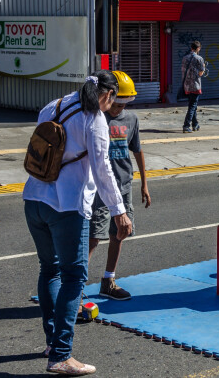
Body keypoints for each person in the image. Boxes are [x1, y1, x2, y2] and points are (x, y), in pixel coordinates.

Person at [23, 70, 132, 376]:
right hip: (67, 207)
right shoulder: (93, 118)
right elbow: (102, 168)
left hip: (34, 200)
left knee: (50, 270)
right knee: (74, 278)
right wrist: (118, 210)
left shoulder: (53, 105)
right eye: (114, 100)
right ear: (107, 96)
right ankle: (61, 355)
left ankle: (51, 342)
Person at [87, 71, 151, 301]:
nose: (119, 108)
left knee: (119, 234)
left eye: (125, 103)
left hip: (124, 185)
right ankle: (76, 286)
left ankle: (108, 280)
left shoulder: (131, 120)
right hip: (101, 188)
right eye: (117, 102)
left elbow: (137, 150)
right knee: (94, 236)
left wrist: (144, 183)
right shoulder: (95, 117)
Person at [181, 41, 205, 133]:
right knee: (192, 106)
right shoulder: (199, 58)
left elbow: (183, 71)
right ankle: (186, 125)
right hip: (195, 85)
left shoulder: (184, 58)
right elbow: (201, 73)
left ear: (191, 48)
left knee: (193, 105)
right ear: (198, 48)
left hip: (186, 85)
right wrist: (203, 67)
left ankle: (195, 124)